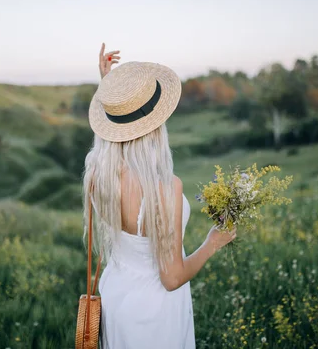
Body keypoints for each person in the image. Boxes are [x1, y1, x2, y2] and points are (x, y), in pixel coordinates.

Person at [82, 43, 237, 348]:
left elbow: (107, 139)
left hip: (117, 298)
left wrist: (109, 86)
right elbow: (171, 279)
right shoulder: (165, 187)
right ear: (156, 124)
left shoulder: (98, 174)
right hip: (154, 313)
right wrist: (212, 243)